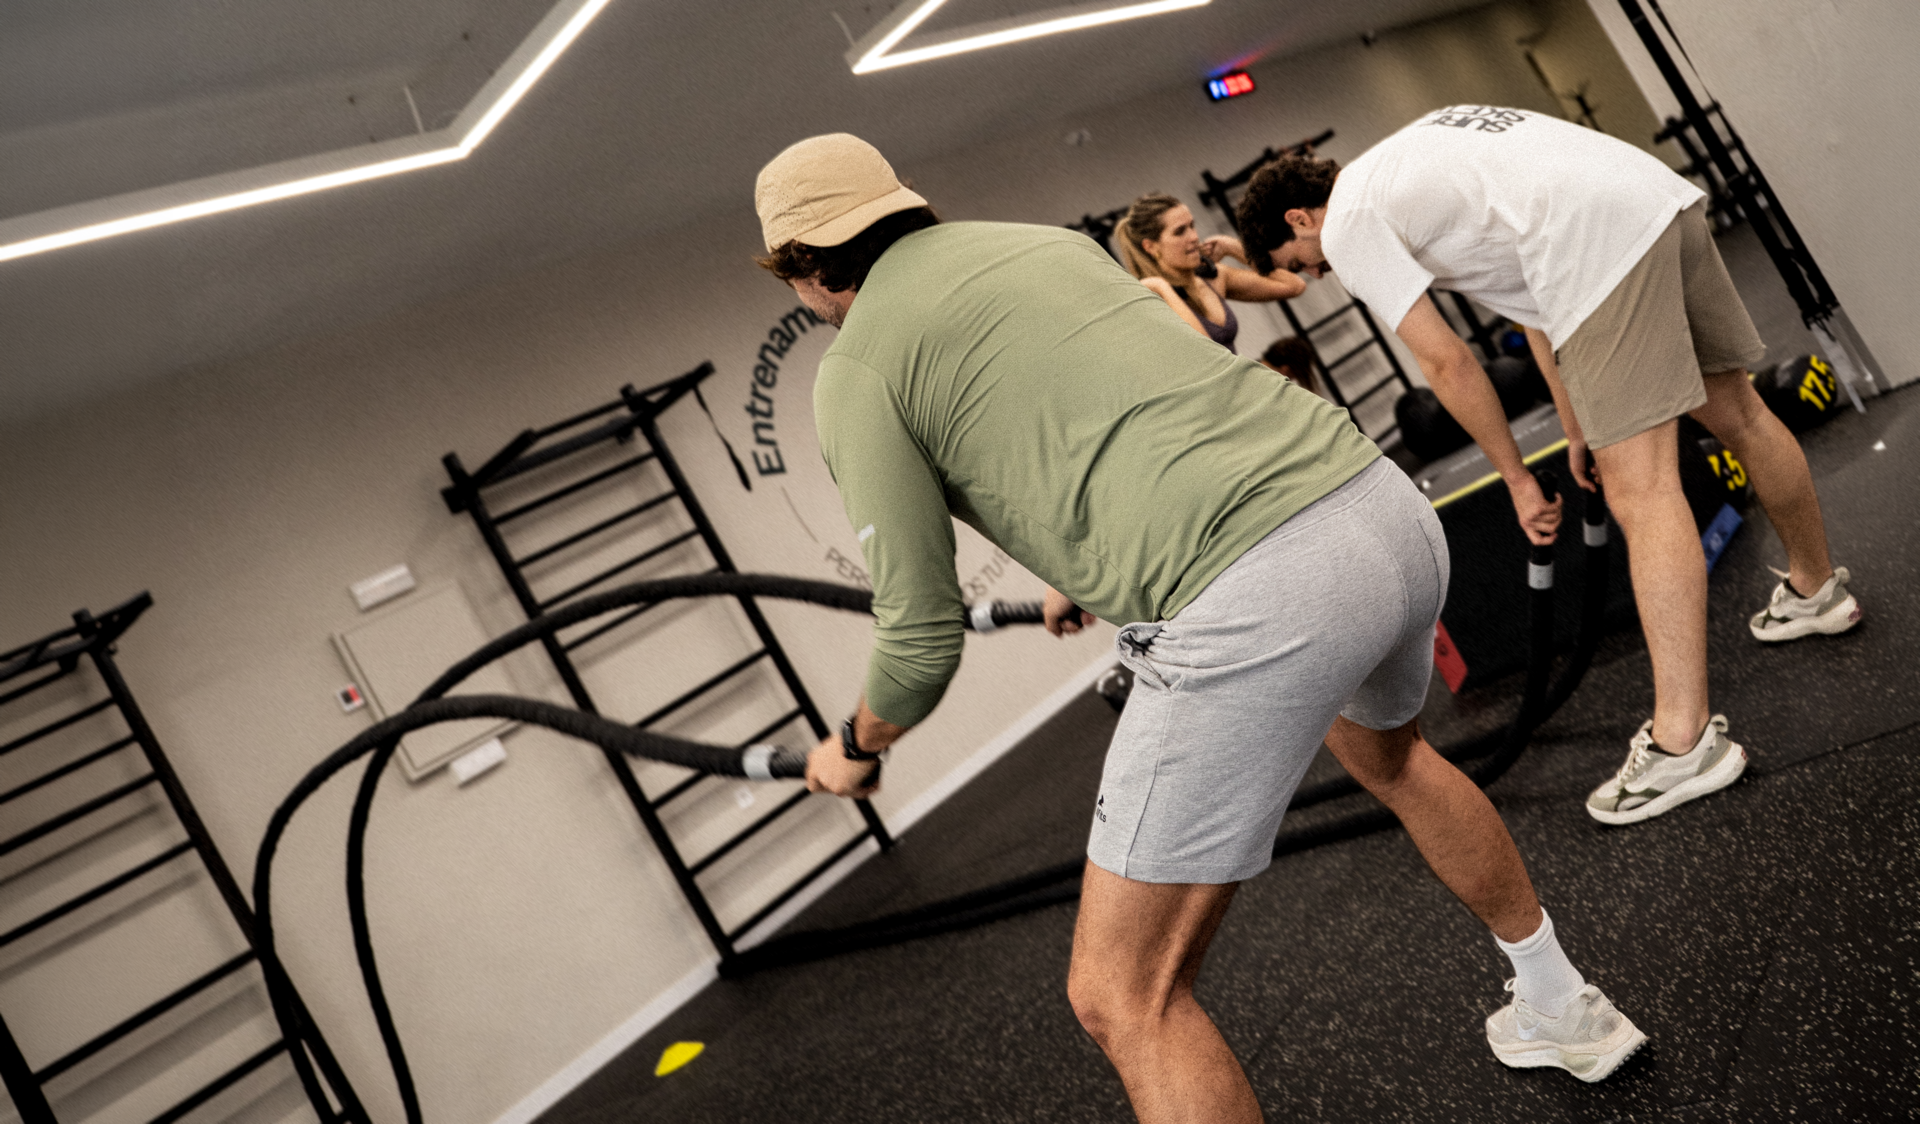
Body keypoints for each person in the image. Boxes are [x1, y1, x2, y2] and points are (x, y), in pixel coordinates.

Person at [753, 132, 1646, 1121]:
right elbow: (1138, 420)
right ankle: (1564, 1003)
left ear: (801, 266)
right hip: (1374, 507)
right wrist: (1083, 566)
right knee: (1396, 760)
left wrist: (854, 744)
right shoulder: (1047, 247)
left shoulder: (858, 368)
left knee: (1122, 994)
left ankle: (1559, 1005)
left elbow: (919, 642)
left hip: (1256, 597)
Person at [1234, 105, 1861, 831]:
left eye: (1295, 264)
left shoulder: (1348, 223)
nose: (1313, 276)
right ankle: (1815, 591)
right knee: (1742, 415)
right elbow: (1533, 308)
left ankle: (1683, 743)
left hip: (1596, 250)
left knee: (1644, 490)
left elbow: (1447, 361)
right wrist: (1573, 425)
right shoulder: (1412, 159)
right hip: (1655, 200)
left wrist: (1518, 479)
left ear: (1300, 220)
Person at [1115, 193, 1304, 352]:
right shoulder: (1152, 298)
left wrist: (1234, 248)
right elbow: (1207, 354)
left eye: (1192, 226)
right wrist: (1161, 287)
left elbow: (1293, 285)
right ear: (1150, 246)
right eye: (1180, 231)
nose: (1194, 237)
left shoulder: (1212, 278)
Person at [1259, 334, 1326, 399]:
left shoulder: (1253, 371)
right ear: (1285, 370)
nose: (1290, 380)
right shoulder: (1266, 392)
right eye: (1292, 377)